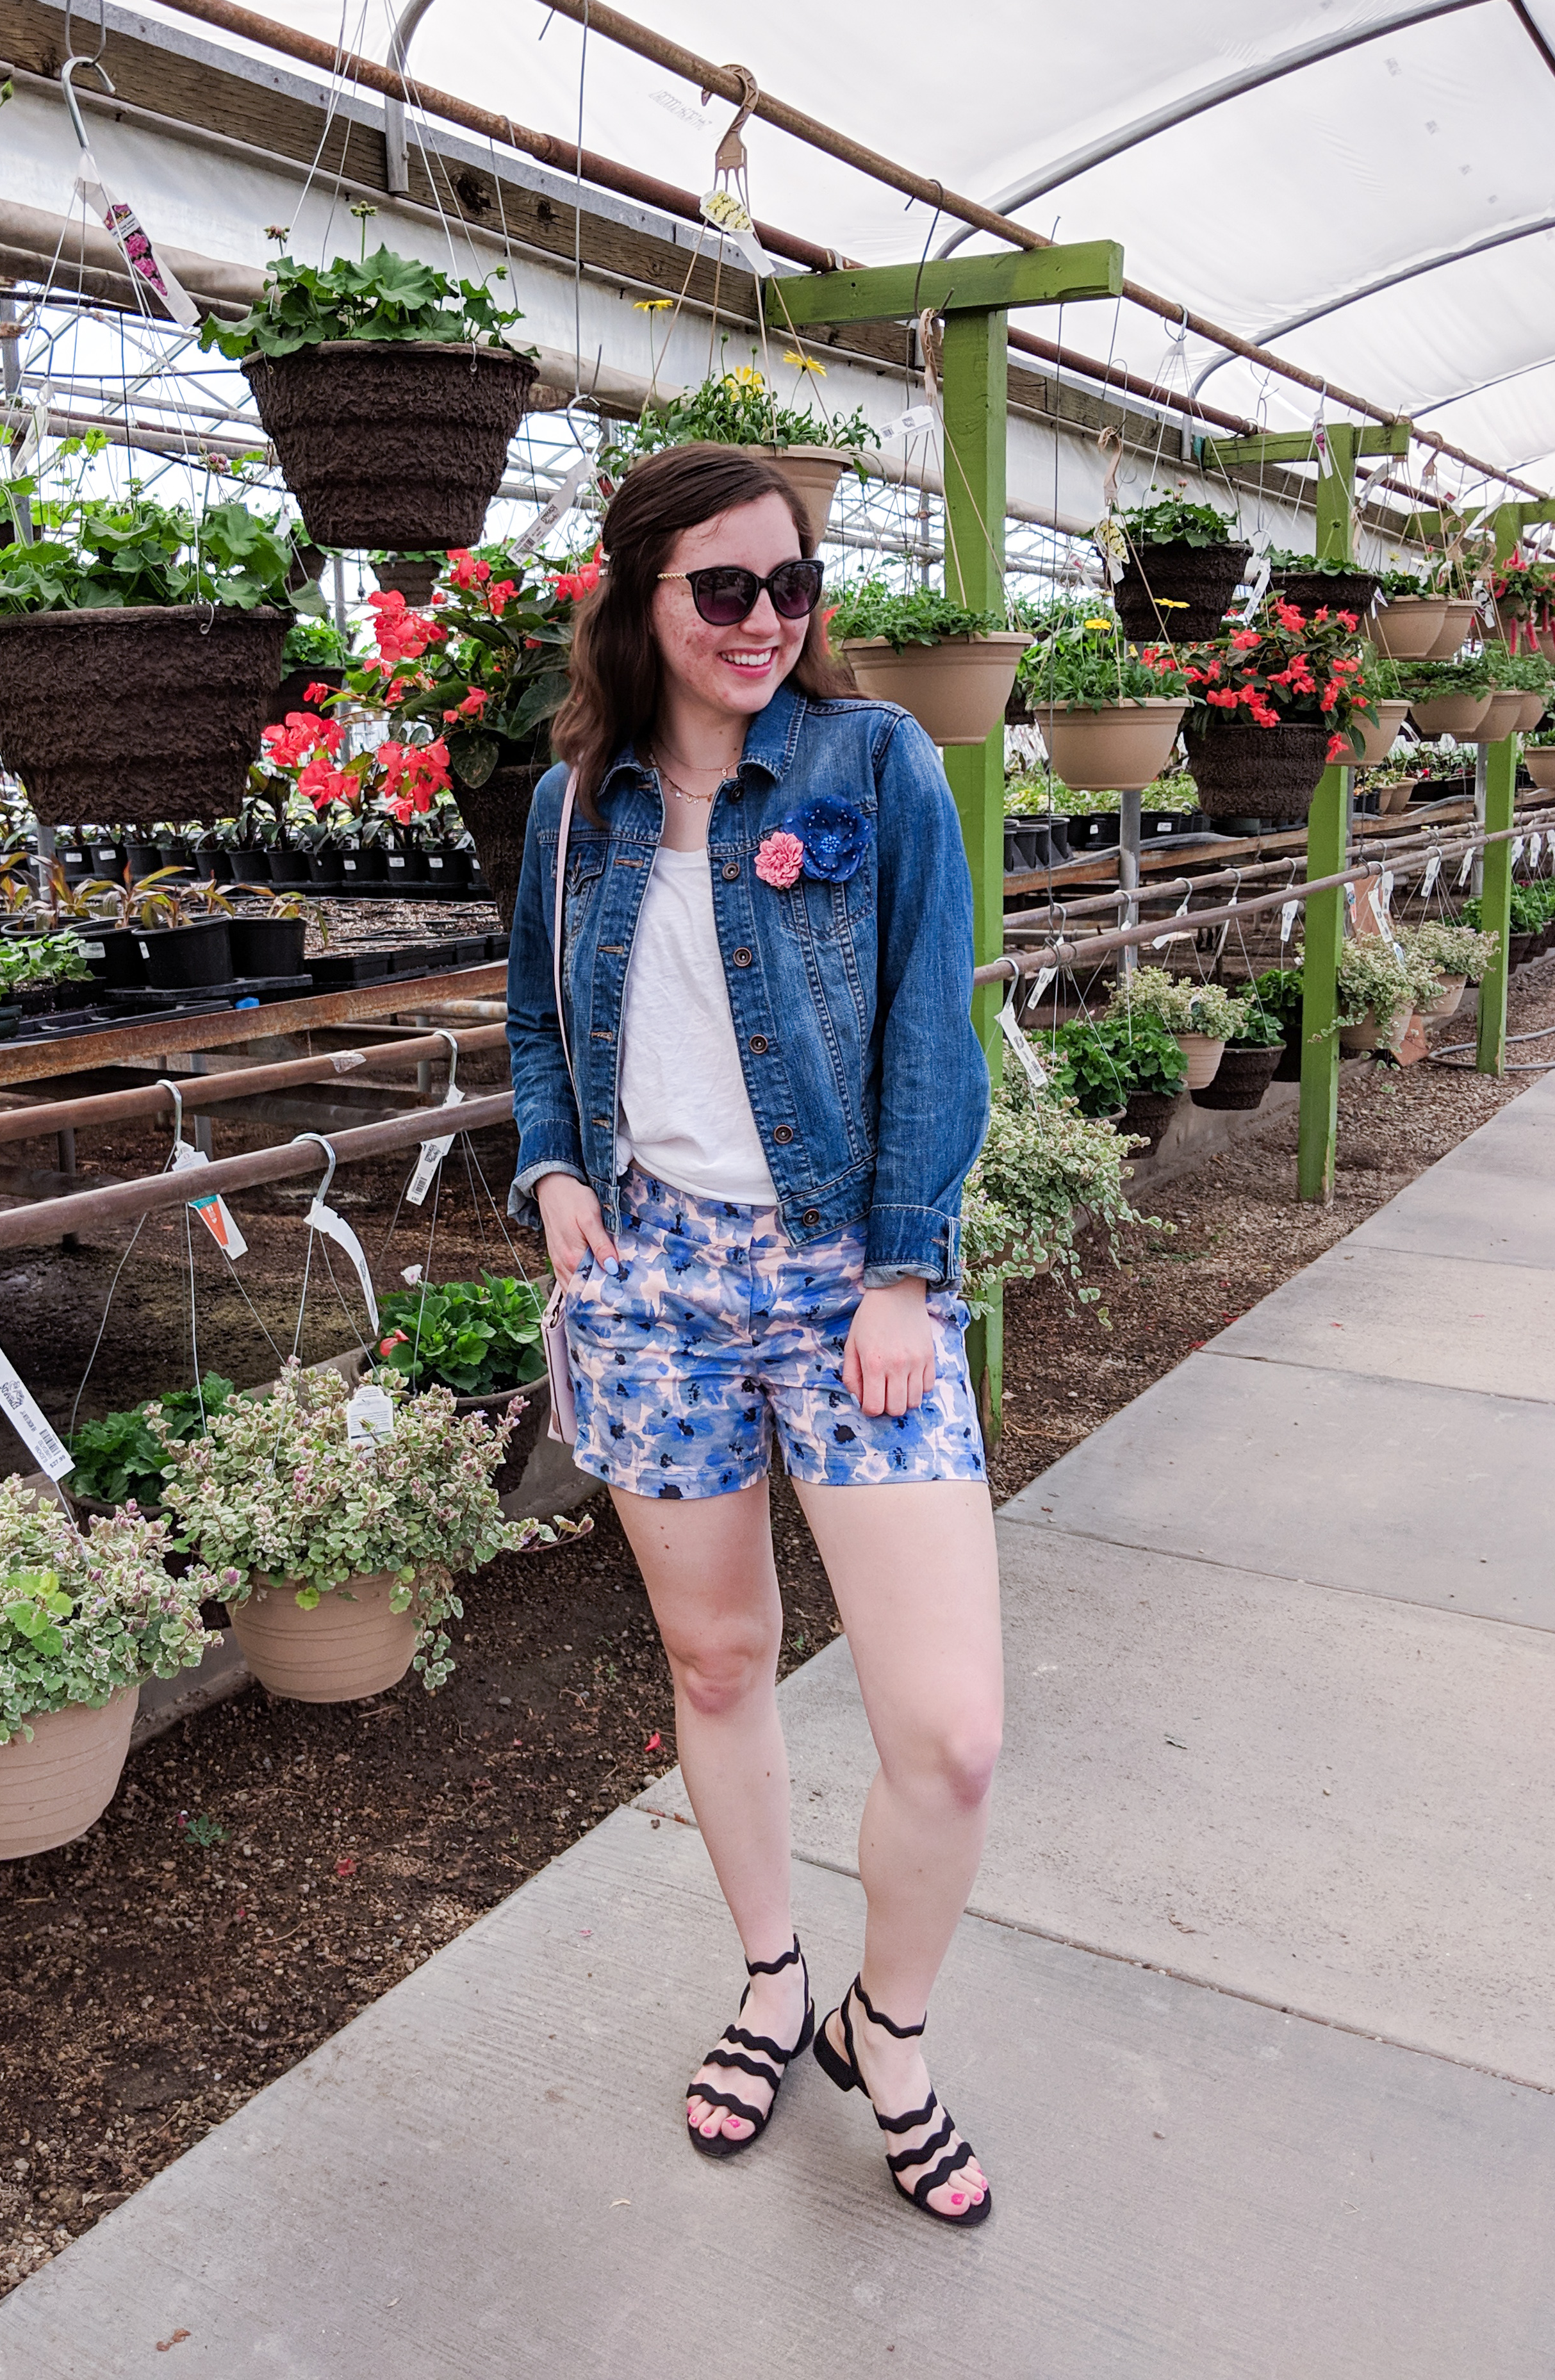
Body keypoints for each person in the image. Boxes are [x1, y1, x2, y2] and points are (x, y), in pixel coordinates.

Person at [506, 440, 1001, 2226]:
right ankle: (776, 1972)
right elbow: (541, 1020)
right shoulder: (579, 801)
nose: (767, 620)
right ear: (641, 596)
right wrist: (554, 1169)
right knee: (716, 1660)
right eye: (726, 587)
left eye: (791, 585)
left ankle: (895, 2021)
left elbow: (933, 1030)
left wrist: (897, 1273)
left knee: (947, 1729)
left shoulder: (880, 766)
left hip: (850, 1280)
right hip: (651, 1286)